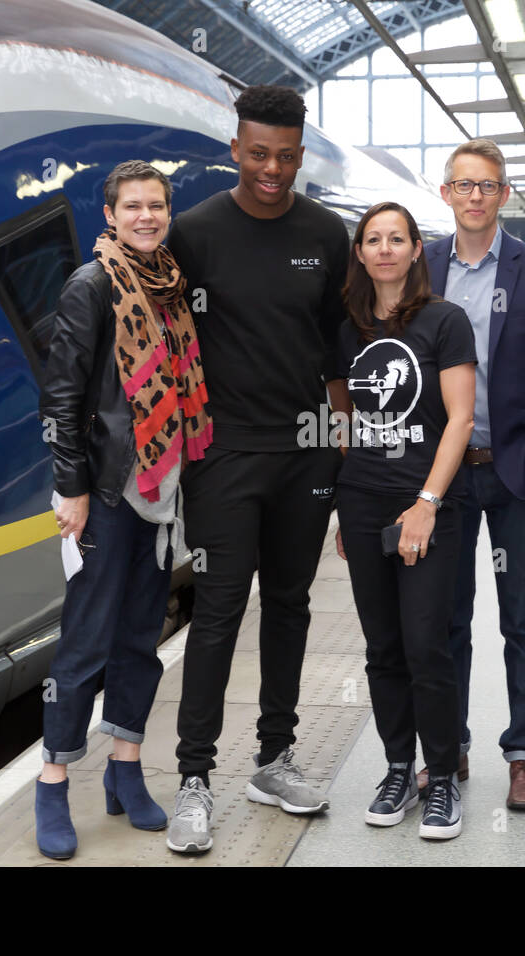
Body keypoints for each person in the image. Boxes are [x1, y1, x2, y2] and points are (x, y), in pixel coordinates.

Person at [162, 85, 349, 854]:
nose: (272, 168)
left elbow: (337, 353)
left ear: (300, 155)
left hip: (304, 452)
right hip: (223, 455)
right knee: (217, 614)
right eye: (258, 153)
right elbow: (157, 343)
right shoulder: (194, 233)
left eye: (286, 156)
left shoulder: (327, 233)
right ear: (235, 150)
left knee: (292, 605)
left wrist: (342, 449)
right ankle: (195, 780)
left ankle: (274, 759)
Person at [35, 159, 212, 860]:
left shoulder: (169, 286)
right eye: (132, 206)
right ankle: (52, 782)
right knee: (85, 642)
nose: (145, 216)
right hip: (107, 494)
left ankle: (125, 771)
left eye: (156, 205)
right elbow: (62, 397)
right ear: (109, 214)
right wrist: (73, 488)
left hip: (159, 495)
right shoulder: (91, 286)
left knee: (141, 638)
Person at [418, 139, 525, 810]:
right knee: (445, 619)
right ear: (446, 193)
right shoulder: (422, 267)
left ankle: (523, 756)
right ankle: (448, 746)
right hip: (444, 480)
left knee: (523, 620)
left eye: (488, 186)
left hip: (512, 477)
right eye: (464, 185)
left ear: (503, 195)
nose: (475, 196)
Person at [329, 201, 476, 839]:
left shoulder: (446, 321)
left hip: (428, 503)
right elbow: (346, 421)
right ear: (360, 252)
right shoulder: (347, 328)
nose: (385, 248)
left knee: (426, 644)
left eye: (397, 238)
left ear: (417, 249)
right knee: (383, 647)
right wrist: (344, 503)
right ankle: (397, 767)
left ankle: (440, 776)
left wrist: (426, 503)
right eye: (373, 239)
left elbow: (461, 419)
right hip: (363, 501)